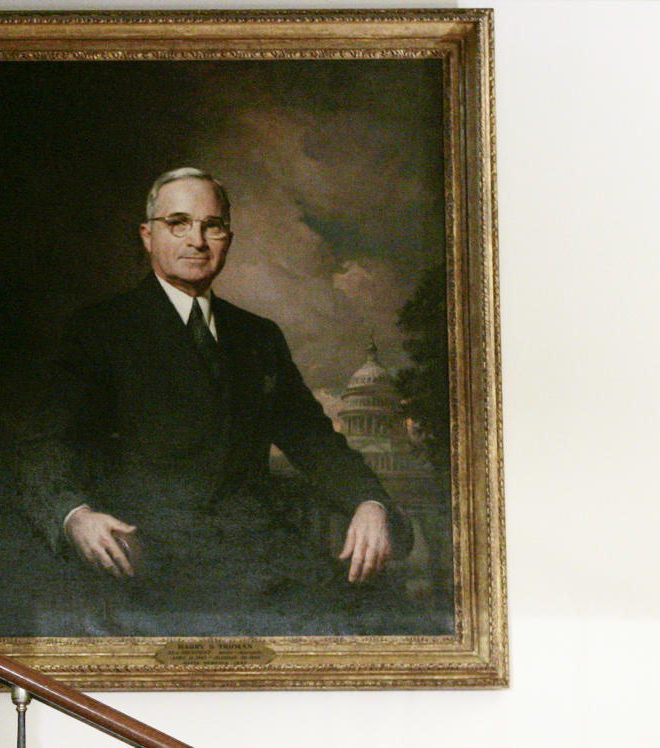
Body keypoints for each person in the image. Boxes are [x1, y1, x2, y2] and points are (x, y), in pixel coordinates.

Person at [21, 168, 412, 636]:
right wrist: (75, 516)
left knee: (373, 623)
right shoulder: (100, 329)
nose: (197, 241)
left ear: (228, 237)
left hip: (257, 558)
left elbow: (313, 441)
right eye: (179, 223)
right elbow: (46, 446)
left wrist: (369, 502)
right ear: (148, 236)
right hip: (146, 561)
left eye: (212, 226)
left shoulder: (259, 337)